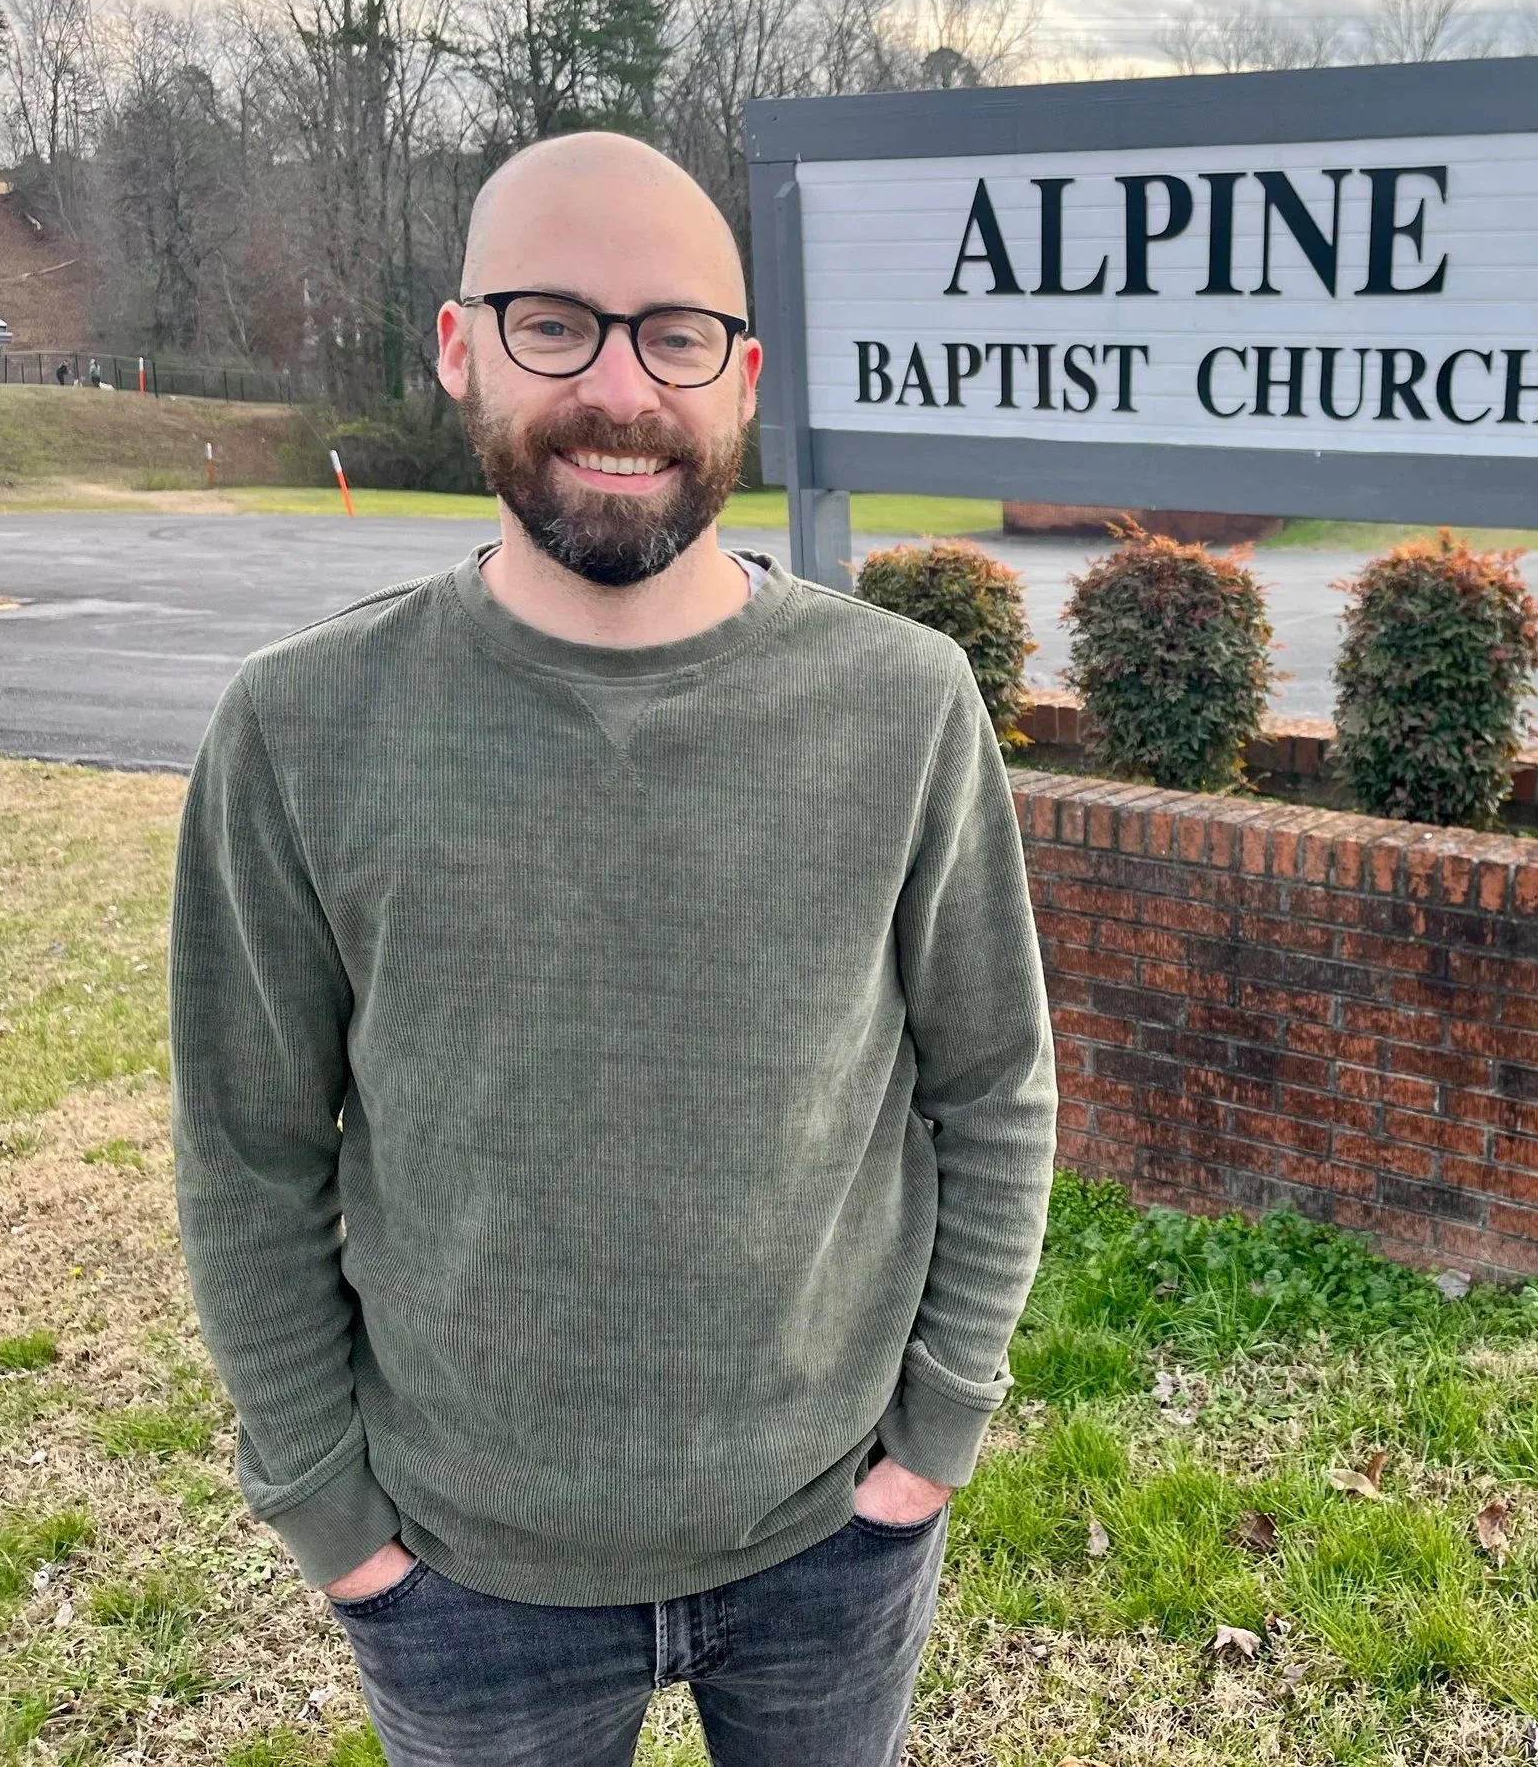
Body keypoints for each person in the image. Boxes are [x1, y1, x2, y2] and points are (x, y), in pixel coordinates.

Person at [168, 131, 1059, 1767]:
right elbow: (246, 1156)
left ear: (742, 376)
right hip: (460, 1575)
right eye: (551, 322)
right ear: (458, 345)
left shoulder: (901, 705)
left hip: (830, 1542)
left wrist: (931, 1439)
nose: (623, 388)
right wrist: (334, 1520)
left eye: (675, 335)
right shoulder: (301, 727)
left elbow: (994, 1085)